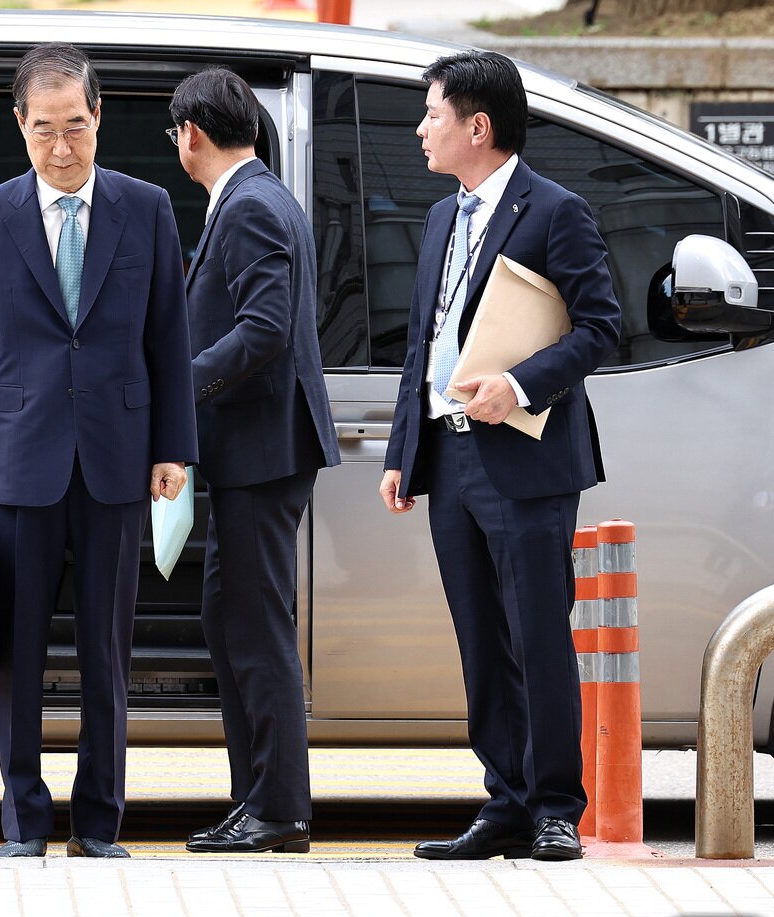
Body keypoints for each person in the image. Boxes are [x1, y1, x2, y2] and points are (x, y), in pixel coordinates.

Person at [0, 42, 198, 859]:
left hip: (118, 456)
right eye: (46, 129)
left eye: (78, 128)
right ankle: (23, 819)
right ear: (18, 124)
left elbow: (168, 335)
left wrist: (174, 447)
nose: (63, 149)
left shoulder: (146, 206)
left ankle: (98, 821)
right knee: (16, 654)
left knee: (106, 651)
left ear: (101, 120)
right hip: (16, 457)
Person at [378, 51, 621, 862]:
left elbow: (599, 329)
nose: (421, 129)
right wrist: (403, 452)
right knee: (481, 639)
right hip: (449, 458)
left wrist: (517, 386)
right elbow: (425, 341)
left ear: (477, 126)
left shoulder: (556, 212)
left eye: (433, 115)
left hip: (524, 457)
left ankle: (557, 805)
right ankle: (505, 800)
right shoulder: (443, 217)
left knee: (537, 637)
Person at [168, 69, 338, 854]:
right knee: (230, 616)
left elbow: (264, 326)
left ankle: (278, 808)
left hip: (261, 452)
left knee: (257, 625)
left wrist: (181, 381)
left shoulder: (250, 207)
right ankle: (258, 801)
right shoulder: (257, 198)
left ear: (190, 134)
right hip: (250, 452)